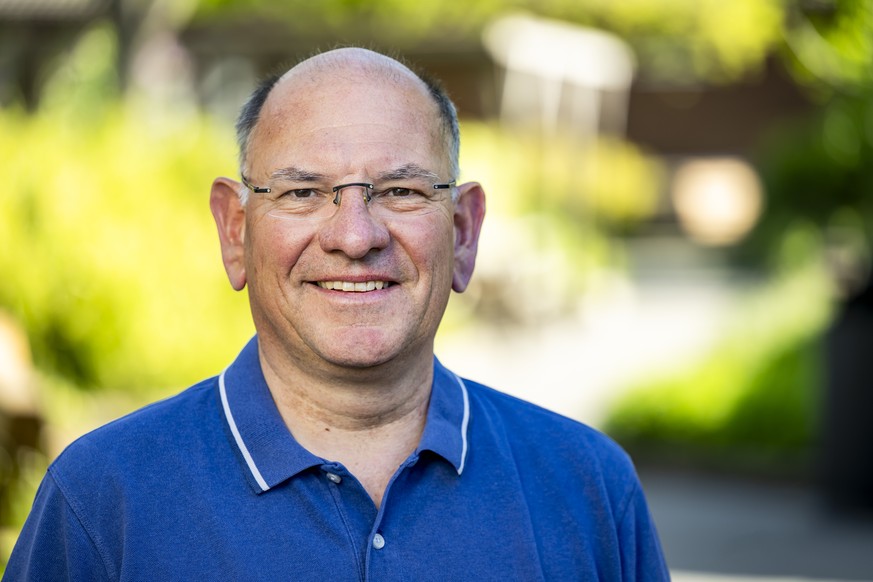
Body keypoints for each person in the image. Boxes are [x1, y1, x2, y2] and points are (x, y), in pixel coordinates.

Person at [5, 48, 669, 580]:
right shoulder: (102, 502)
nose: (355, 237)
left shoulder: (588, 493)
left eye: (401, 190)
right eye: (302, 191)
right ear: (234, 231)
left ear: (463, 231)